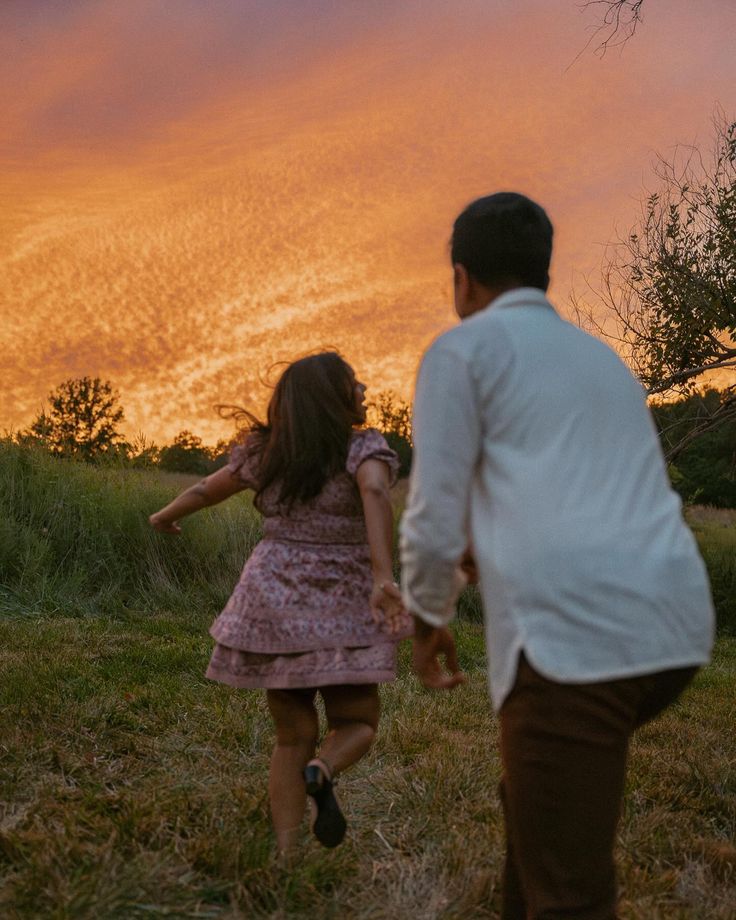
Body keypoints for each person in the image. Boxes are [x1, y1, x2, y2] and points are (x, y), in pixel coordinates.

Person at [398, 192, 715, 919]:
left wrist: (427, 616)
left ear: (462, 279)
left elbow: (433, 511)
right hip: (674, 625)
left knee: (569, 891)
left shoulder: (463, 350)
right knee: (536, 811)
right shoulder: (600, 360)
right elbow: (575, 489)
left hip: (577, 638)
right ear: (542, 272)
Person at [150, 352, 410, 860]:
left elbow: (207, 489)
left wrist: (165, 514)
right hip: (341, 603)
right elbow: (375, 492)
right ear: (333, 399)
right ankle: (326, 770)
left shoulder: (268, 453)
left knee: (292, 737)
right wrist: (382, 575)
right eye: (353, 382)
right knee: (357, 721)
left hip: (274, 601)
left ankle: (287, 852)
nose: (363, 388)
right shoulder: (363, 448)